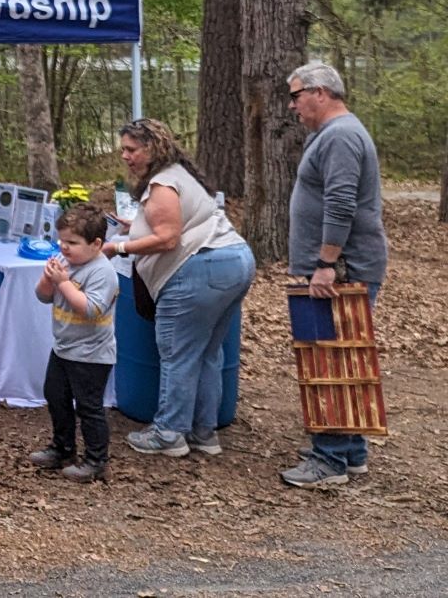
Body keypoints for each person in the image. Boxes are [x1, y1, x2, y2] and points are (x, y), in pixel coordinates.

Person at [104, 118, 255, 458]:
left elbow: (169, 238)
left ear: (152, 148)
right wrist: (137, 225)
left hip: (200, 270)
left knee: (178, 354)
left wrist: (120, 247)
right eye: (123, 150)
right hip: (234, 261)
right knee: (208, 353)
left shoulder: (162, 183)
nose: (125, 156)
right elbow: (174, 222)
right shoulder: (181, 175)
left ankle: (169, 433)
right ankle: (205, 433)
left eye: (131, 149)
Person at [280, 61, 388, 489]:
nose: (292, 105)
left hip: (341, 270)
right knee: (343, 358)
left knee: (330, 358)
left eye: (295, 95)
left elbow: (341, 203)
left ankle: (330, 461)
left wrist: (325, 264)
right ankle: (350, 450)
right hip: (340, 266)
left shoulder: (341, 136)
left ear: (320, 92)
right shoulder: (332, 135)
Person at [30, 203, 118, 483]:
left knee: (88, 407)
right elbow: (43, 297)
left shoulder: (102, 272)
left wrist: (64, 283)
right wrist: (48, 279)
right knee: (55, 396)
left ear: (96, 244)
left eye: (72, 242)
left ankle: (96, 460)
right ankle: (62, 447)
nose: (64, 247)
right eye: (61, 240)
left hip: (92, 355)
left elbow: (90, 309)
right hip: (64, 348)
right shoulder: (65, 263)